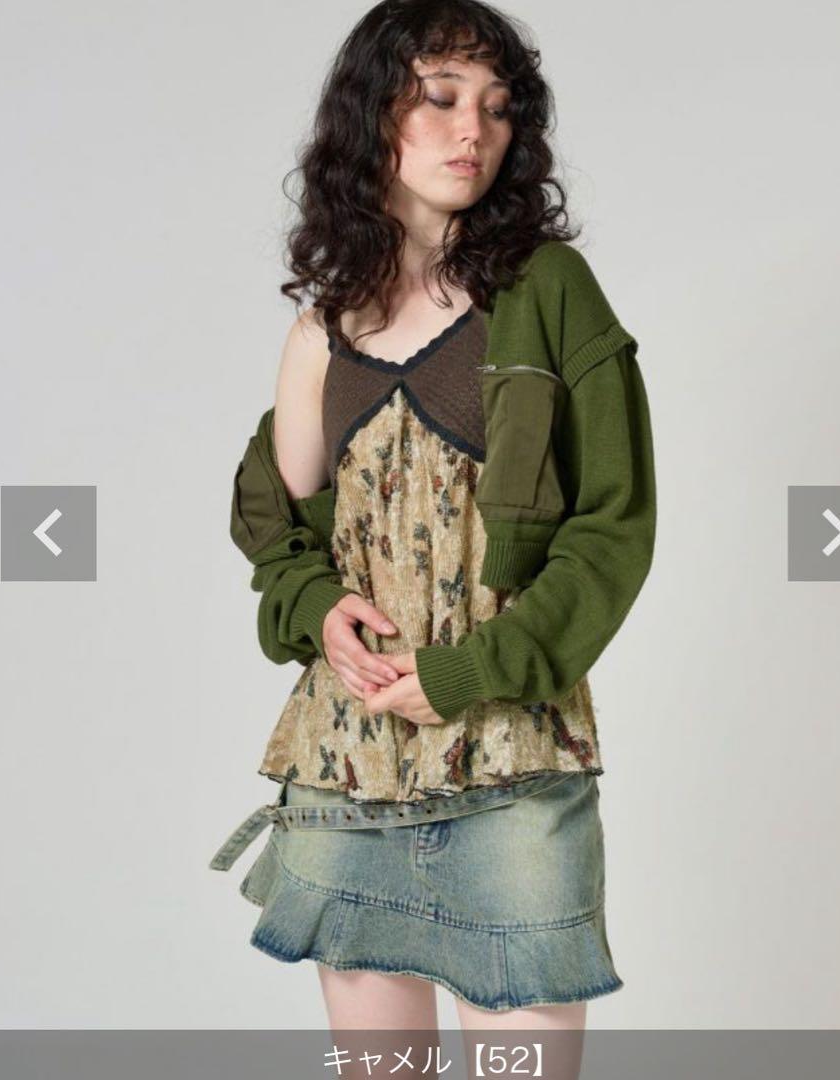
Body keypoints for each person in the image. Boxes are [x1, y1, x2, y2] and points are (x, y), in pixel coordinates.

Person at [211, 0, 656, 1038]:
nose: (473, 131)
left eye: (497, 108)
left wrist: (467, 670)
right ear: (372, 115)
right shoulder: (325, 325)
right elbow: (273, 523)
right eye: (441, 98)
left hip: (509, 760)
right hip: (345, 764)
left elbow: (612, 526)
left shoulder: (549, 291)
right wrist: (316, 607)